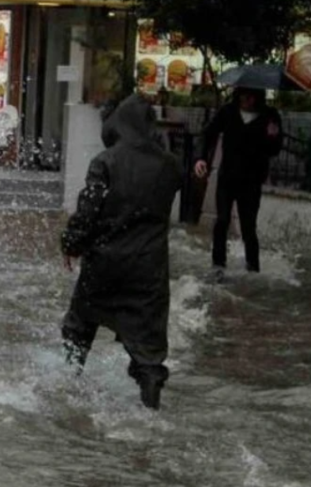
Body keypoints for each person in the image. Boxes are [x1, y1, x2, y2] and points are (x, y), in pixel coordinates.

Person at [61, 94, 183, 410]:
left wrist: (71, 244)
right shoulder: (170, 165)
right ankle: (150, 407)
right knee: (149, 347)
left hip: (104, 263)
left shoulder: (106, 162)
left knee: (79, 327)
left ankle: (67, 389)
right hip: (149, 271)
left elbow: (87, 212)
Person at [194, 87, 283, 276]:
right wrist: (201, 158)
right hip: (228, 177)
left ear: (258, 97)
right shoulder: (228, 112)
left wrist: (272, 135)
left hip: (251, 180)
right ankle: (218, 265)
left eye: (251, 96)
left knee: (248, 226)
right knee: (222, 220)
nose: (247, 100)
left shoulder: (269, 115)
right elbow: (207, 134)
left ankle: (253, 268)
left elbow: (275, 149)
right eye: (243, 96)